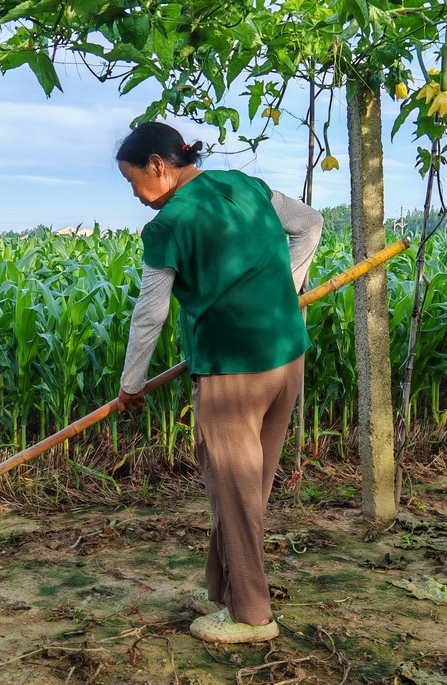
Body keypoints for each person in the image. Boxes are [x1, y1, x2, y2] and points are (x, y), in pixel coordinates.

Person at [116, 122, 323, 645]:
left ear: (159, 166)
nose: (136, 194)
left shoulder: (167, 226)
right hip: (285, 357)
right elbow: (310, 224)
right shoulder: (244, 185)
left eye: (133, 180)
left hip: (233, 374)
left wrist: (131, 384)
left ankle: (252, 617)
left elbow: (149, 315)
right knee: (249, 491)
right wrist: (283, 287)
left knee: (233, 494)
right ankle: (227, 592)